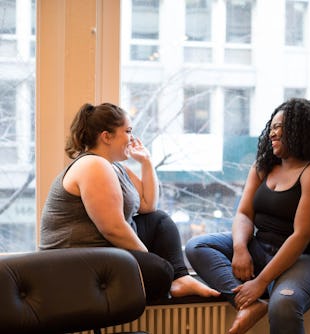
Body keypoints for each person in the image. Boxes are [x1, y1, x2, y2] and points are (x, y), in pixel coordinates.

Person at [186, 98, 310, 334]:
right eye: (272, 127)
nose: (273, 133)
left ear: (301, 130)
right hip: (264, 248)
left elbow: (302, 236)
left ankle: (259, 295)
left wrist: (259, 283)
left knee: (284, 305)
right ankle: (252, 305)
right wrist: (240, 249)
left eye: (281, 127)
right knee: (198, 246)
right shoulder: (264, 166)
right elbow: (244, 213)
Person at [40, 102, 220, 302]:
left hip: (103, 251)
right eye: (127, 131)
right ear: (106, 136)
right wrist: (148, 258)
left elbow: (148, 206)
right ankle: (171, 277)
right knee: (159, 272)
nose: (132, 137)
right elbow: (113, 228)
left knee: (159, 220)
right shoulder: (93, 165)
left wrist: (146, 162)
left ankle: (181, 279)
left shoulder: (114, 167)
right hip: (75, 263)